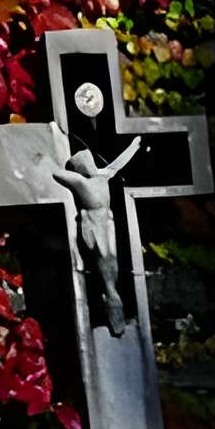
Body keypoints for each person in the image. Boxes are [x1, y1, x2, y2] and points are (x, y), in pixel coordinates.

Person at [51, 138, 141, 336]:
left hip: (108, 222)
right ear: (82, 169)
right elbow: (57, 174)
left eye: (91, 161)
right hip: (92, 225)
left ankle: (113, 300)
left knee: (111, 259)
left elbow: (120, 162)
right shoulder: (82, 182)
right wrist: (78, 174)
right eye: (87, 163)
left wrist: (134, 145)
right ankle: (110, 302)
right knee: (101, 260)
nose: (92, 164)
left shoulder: (103, 176)